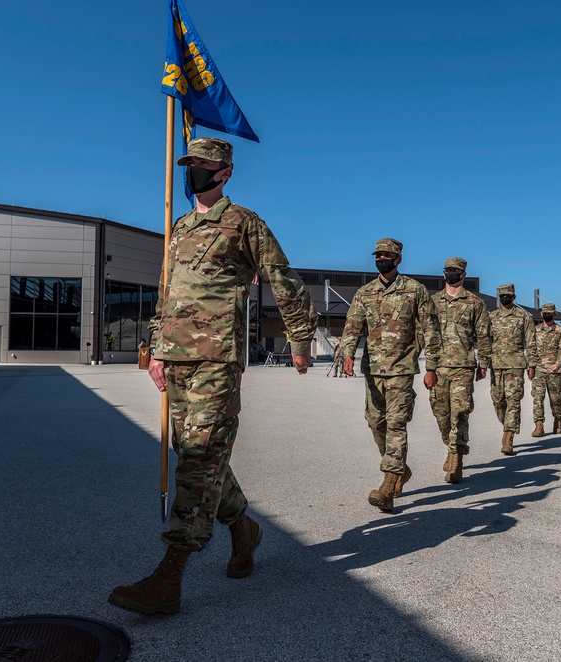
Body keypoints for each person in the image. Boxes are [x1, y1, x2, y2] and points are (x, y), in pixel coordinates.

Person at [109, 137, 318, 616]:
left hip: (216, 358)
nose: (193, 171)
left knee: (199, 460)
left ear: (224, 173)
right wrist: (157, 349)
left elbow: (282, 278)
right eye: (190, 164)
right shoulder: (179, 227)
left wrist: (301, 339)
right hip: (176, 358)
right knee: (195, 451)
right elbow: (167, 294)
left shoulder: (244, 223)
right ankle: (244, 528)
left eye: (202, 165)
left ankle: (169, 576)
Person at [338, 238, 441, 512]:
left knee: (396, 423)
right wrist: (347, 354)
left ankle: (389, 485)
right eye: (378, 255)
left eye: (387, 255)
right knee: (375, 423)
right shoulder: (365, 292)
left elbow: (430, 330)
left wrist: (432, 367)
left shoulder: (414, 290)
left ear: (398, 259)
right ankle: (400, 469)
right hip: (372, 370)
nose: (381, 258)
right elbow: (352, 327)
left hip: (402, 369)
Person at [428, 257, 491, 483]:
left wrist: (483, 363)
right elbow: (423, 331)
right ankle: (450, 445)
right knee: (440, 413)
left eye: (455, 271)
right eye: (447, 270)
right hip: (438, 366)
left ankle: (456, 457)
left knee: (460, 411)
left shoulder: (474, 303)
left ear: (463, 274)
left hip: (463, 366)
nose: (451, 274)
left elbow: (484, 335)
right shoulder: (432, 301)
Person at [488, 284, 539, 454]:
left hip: (516, 365)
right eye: (502, 295)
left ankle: (508, 436)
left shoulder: (524, 317)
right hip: (496, 365)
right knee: (498, 402)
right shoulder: (491, 317)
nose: (505, 297)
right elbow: (484, 341)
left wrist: (532, 365)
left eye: (508, 295)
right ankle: (507, 424)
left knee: (513, 401)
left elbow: (531, 342)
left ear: (514, 297)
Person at [531, 303, 561, 437]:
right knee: (537, 398)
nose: (547, 315)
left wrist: (558, 364)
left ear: (555, 314)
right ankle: (539, 425)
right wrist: (530, 366)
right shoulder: (535, 330)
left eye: (550, 313)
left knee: (556, 398)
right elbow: (531, 350)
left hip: (554, 370)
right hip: (539, 369)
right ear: (541, 314)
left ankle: (558, 419)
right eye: (545, 313)